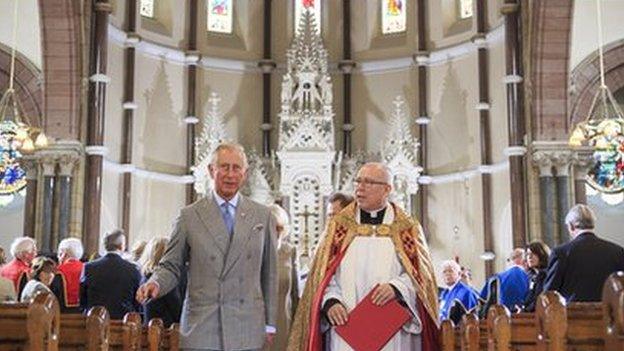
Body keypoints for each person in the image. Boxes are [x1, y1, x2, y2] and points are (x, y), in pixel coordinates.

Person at [136, 143, 278, 351]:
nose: (230, 174)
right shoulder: (189, 216)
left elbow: (269, 274)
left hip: (247, 326)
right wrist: (156, 284)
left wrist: (270, 324)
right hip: (202, 325)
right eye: (224, 167)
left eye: (236, 168)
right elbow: (171, 266)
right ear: (211, 170)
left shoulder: (262, 216)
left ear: (245, 173)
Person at [287, 162, 440, 351]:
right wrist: (331, 302)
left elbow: (422, 278)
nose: (360, 187)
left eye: (368, 182)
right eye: (358, 181)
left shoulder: (407, 228)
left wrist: (397, 288)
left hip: (392, 331)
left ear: (387, 189)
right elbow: (323, 277)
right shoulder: (339, 227)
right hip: (346, 326)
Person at [543, 204, 624, 302]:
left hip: (574, 315)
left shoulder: (561, 253)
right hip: (610, 314)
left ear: (571, 226)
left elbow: (549, 293)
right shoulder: (617, 251)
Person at [80, 229, 142, 319]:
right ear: (122, 246)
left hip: (95, 320)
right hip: (123, 322)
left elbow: (83, 298)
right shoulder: (132, 269)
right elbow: (137, 301)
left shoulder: (89, 267)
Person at [264, 204, 298, 351]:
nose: (274, 231)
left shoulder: (290, 251)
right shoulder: (251, 251)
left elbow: (295, 293)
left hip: (283, 322)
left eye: (278, 227)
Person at [139, 237, 183, 327]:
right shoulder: (165, 282)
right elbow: (177, 311)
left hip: (148, 328)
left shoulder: (146, 278)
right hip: (165, 331)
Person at [52, 238, 84, 312]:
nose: (58, 257)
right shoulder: (87, 269)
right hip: (83, 312)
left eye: (59, 254)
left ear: (64, 254)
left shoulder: (57, 271)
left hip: (61, 313)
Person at [518, 241, 550, 312]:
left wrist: (525, 310)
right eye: (528, 254)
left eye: (533, 254)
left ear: (542, 255)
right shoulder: (531, 276)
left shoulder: (546, 275)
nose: (529, 257)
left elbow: (540, 299)